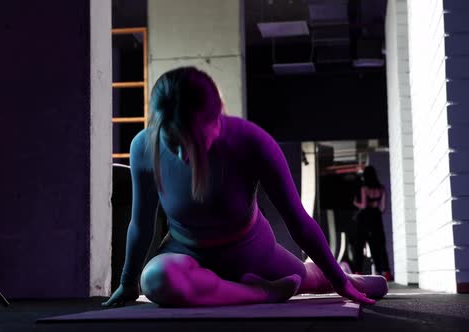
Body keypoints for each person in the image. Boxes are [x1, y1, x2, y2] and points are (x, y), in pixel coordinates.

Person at [102, 67, 387, 308]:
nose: (182, 157)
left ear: (218, 120)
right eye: (172, 142)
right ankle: (263, 293)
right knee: (153, 281)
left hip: (251, 253)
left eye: (193, 145)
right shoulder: (142, 147)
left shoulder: (253, 142)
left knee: (360, 285)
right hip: (186, 254)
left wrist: (339, 283)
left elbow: (297, 219)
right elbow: (140, 223)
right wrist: (127, 283)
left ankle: (347, 277)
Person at [352, 166, 392, 281]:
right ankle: (385, 272)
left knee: (359, 244)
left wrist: (356, 203)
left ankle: (358, 271)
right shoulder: (381, 189)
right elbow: (383, 208)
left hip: (365, 217)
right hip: (376, 217)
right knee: (379, 244)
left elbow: (364, 205)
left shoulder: (365, 188)